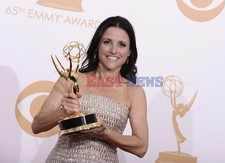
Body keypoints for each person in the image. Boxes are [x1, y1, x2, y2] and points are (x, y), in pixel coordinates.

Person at [31, 16, 148, 163]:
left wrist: (105, 134)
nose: (113, 50)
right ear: (97, 45)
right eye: (107, 42)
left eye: (122, 45)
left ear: (129, 52)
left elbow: (141, 147)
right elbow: (36, 125)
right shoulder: (71, 79)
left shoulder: (134, 92)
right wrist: (62, 112)